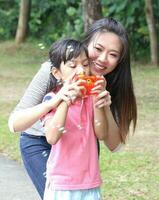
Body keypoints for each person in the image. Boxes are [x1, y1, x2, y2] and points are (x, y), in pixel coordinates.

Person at [8, 17, 137, 199]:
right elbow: (14, 123)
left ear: (119, 61)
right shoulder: (53, 70)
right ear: (86, 44)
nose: (102, 59)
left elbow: (114, 145)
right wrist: (55, 101)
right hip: (40, 140)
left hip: (81, 145)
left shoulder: (109, 83)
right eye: (98, 49)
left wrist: (104, 106)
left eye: (113, 54)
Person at [42, 38, 106, 200]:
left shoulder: (91, 99)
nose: (81, 71)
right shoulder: (51, 99)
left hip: (90, 183)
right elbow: (52, 137)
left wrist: (98, 100)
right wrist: (65, 100)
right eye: (72, 65)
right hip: (61, 185)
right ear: (57, 73)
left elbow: (102, 134)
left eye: (85, 65)